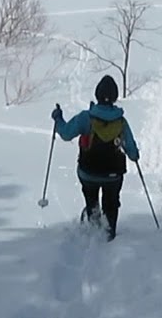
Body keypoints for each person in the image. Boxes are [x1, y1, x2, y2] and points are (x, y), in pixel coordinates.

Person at [51, 74, 139, 241]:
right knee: (111, 202)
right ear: (114, 97)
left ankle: (93, 216)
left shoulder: (86, 118)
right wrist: (135, 155)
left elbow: (66, 133)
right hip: (113, 175)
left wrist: (58, 118)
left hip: (88, 171)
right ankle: (110, 231)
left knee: (91, 194)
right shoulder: (121, 122)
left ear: (97, 94)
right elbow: (132, 153)